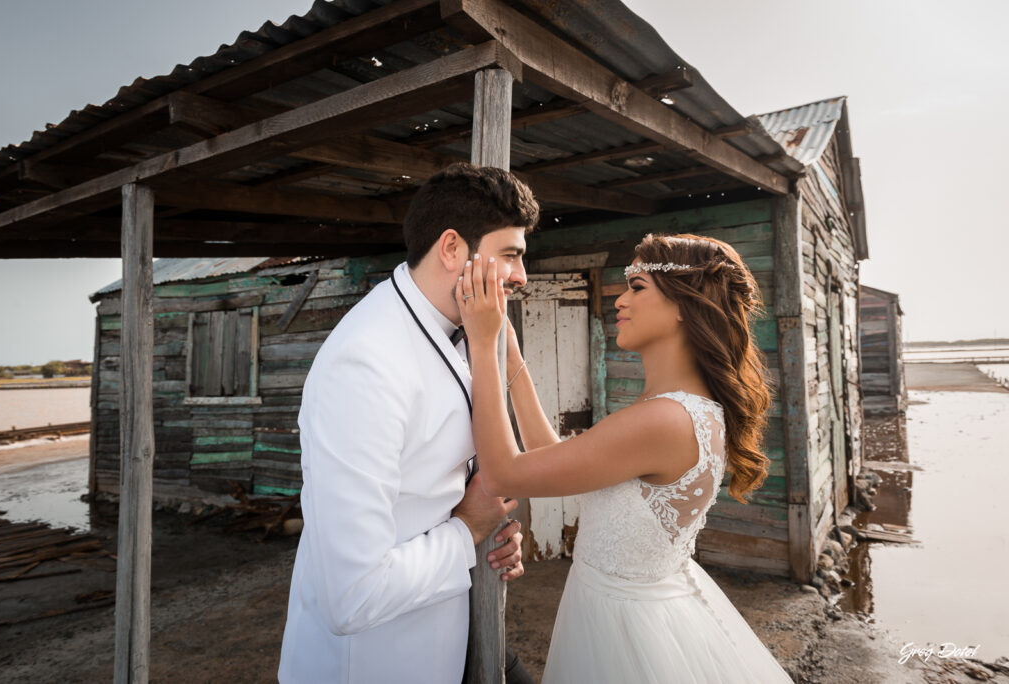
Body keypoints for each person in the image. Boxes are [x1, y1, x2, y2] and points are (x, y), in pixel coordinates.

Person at [457, 232, 795, 683]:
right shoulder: (689, 411)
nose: (619, 299)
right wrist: (513, 361)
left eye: (637, 287)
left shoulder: (664, 420)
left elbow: (502, 474)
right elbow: (554, 459)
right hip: (645, 604)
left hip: (625, 626)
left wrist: (482, 345)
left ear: (683, 305)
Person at [278, 163, 539, 684]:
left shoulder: (466, 331)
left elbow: (438, 476)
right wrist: (467, 531)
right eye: (510, 255)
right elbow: (351, 596)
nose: (521, 277)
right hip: (371, 663)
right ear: (451, 249)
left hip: (446, 642)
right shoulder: (365, 364)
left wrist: (492, 538)